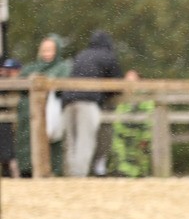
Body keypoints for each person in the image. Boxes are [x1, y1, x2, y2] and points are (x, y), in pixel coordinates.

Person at [60, 30, 122, 177]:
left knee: (71, 142)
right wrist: (106, 95)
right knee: (85, 141)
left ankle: (70, 174)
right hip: (88, 101)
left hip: (68, 100)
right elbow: (117, 84)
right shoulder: (107, 56)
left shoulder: (81, 55)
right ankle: (79, 175)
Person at [16, 34, 71, 177]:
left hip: (51, 113)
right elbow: (20, 84)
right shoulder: (31, 68)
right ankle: (26, 169)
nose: (47, 53)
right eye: (45, 50)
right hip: (27, 115)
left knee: (51, 143)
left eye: (50, 50)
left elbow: (61, 87)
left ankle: (52, 171)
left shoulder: (63, 67)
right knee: (27, 143)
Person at [111, 70, 153, 177]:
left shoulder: (145, 97)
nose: (128, 82)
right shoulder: (122, 97)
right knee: (121, 154)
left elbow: (149, 118)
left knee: (140, 157)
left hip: (138, 134)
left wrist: (146, 136)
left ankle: (138, 175)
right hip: (123, 135)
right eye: (126, 79)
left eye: (132, 79)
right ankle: (123, 172)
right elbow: (118, 118)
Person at [0, 58, 22, 177]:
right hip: (5, 121)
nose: (8, 72)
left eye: (12, 70)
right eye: (7, 70)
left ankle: (16, 176)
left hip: (9, 121)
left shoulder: (18, 83)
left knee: (10, 154)